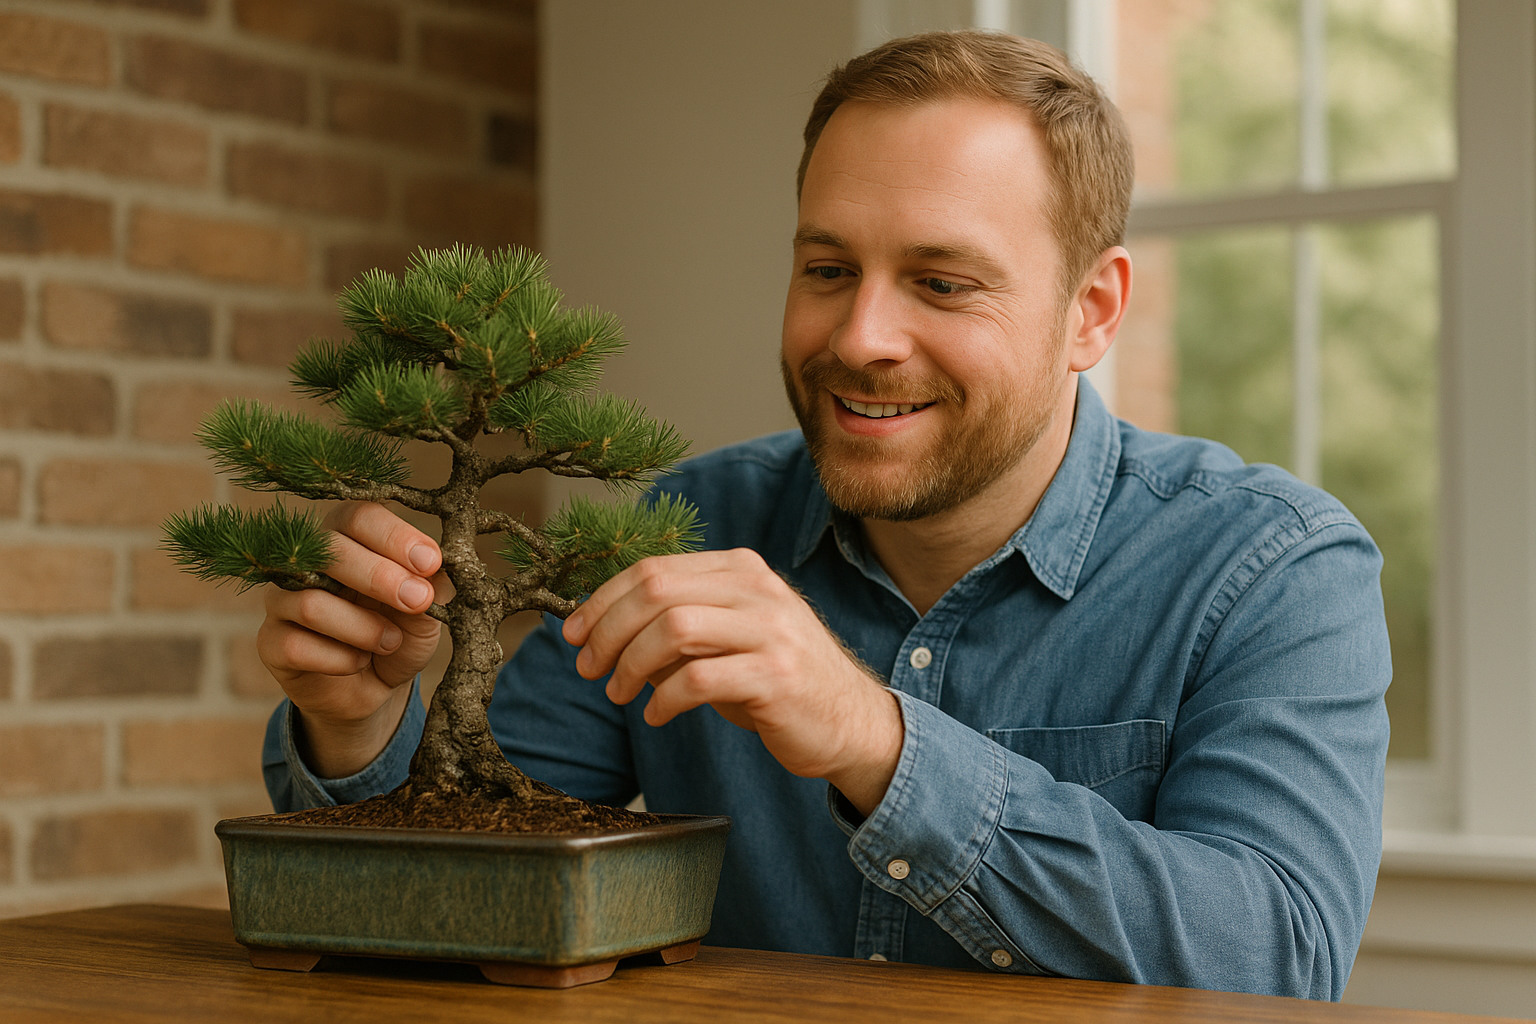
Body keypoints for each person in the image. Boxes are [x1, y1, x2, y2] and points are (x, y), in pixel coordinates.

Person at [258, 31, 1390, 1000]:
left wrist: (876, 739)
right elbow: (471, 893)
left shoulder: (1275, 567)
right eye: (828, 268)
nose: (860, 338)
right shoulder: (687, 523)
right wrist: (361, 728)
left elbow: (1280, 961)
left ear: (1092, 310)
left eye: (942, 282)